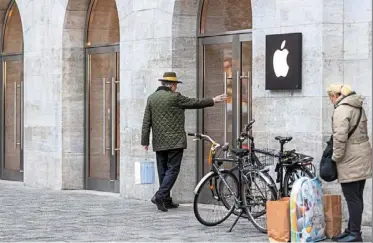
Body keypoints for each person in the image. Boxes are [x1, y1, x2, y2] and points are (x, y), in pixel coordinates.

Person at [141, 72, 227, 212]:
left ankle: (166, 200)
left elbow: (146, 121)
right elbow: (194, 103)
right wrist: (213, 100)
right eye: (176, 85)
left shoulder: (151, 98)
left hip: (159, 142)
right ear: (173, 85)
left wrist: (145, 141)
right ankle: (160, 196)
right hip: (175, 142)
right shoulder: (175, 97)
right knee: (173, 170)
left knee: (163, 171)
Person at [327, 84, 372, 242]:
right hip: (362, 155)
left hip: (350, 158)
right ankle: (352, 230)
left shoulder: (342, 109)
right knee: (357, 196)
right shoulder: (357, 106)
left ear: (335, 95)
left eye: (330, 97)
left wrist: (335, 158)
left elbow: (340, 138)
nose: (331, 101)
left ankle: (355, 234)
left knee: (352, 197)